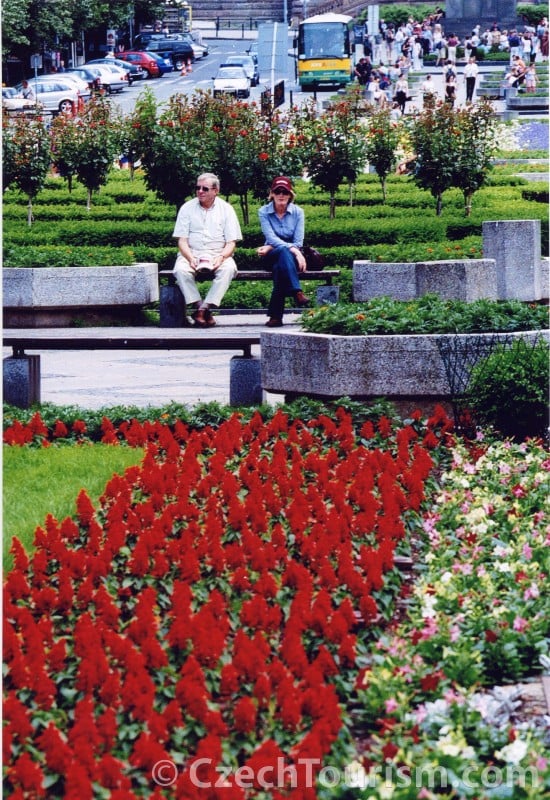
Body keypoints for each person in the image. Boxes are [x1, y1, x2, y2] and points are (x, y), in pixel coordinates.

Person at [172, 173, 242, 327]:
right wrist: (190, 258)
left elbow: (231, 243)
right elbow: (182, 241)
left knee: (229, 269)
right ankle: (200, 307)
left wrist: (221, 257)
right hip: (191, 253)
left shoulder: (227, 209)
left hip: (218, 254)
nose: (200, 191)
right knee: (180, 270)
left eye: (205, 188)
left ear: (215, 191)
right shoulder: (186, 208)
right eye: (198, 188)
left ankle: (204, 309)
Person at [257, 176, 310, 328]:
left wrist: (273, 246)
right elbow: (271, 237)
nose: (281, 195)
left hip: (288, 259)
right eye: (277, 191)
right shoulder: (263, 212)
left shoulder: (298, 212)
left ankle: (276, 317)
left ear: (290, 194)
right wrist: (293, 249)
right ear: (272, 194)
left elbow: (298, 241)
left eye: (285, 192)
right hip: (271, 257)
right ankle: (297, 292)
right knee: (282, 253)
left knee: (280, 266)